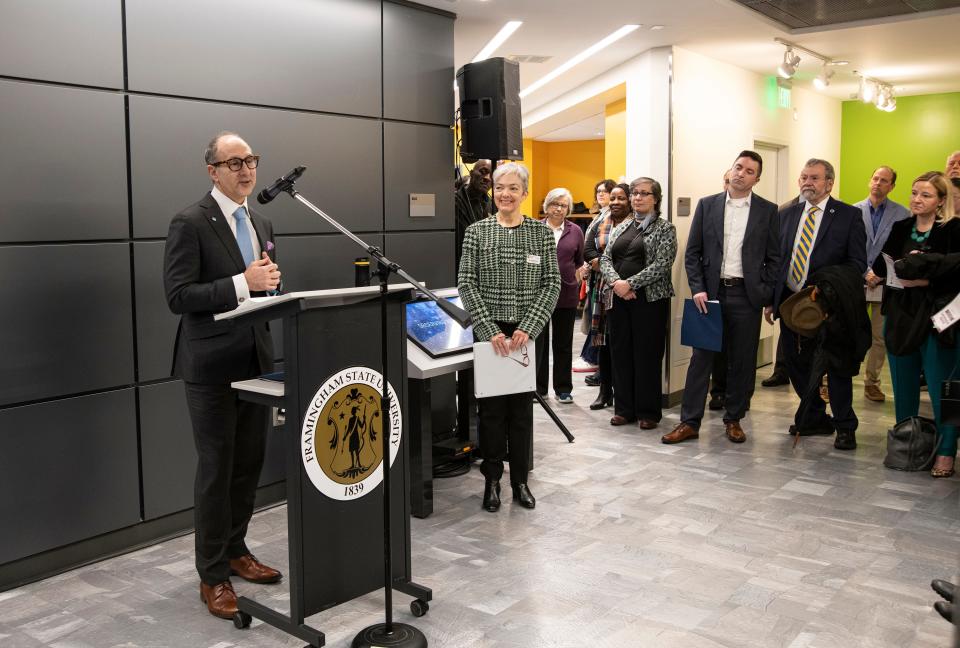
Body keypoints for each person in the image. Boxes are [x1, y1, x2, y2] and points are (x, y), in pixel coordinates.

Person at [163, 132, 283, 620]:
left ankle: (236, 550)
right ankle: (212, 575)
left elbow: (268, 283)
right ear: (211, 170)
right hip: (210, 367)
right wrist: (241, 283)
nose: (246, 170)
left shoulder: (261, 219)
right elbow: (178, 296)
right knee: (216, 470)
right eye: (233, 162)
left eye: (250, 160)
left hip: (256, 362)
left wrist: (273, 287)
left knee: (248, 463)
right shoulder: (189, 222)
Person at [458, 162, 560, 512]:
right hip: (492, 336)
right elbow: (466, 283)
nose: (505, 193)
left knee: (520, 413)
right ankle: (492, 482)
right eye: (500, 187)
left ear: (525, 194)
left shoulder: (541, 234)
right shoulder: (476, 232)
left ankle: (520, 482)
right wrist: (488, 330)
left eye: (513, 188)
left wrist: (529, 326)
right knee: (490, 414)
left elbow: (552, 284)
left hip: (526, 335)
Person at [663, 151, 780, 445]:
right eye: (738, 167)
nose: (741, 173)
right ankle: (689, 422)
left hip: (746, 296)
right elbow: (693, 253)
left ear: (757, 179)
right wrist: (698, 288)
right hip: (710, 295)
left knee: (742, 361)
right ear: (730, 170)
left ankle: (734, 419)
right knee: (700, 360)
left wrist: (765, 293)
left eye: (749, 171)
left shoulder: (768, 211)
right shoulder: (708, 205)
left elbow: (775, 257)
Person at [765, 158, 867, 450]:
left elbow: (857, 262)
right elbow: (778, 260)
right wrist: (772, 301)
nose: (807, 182)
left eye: (814, 178)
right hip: (792, 304)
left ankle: (845, 426)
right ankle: (815, 417)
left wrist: (828, 286)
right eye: (804, 177)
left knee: (836, 368)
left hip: (830, 307)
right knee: (796, 364)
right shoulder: (787, 214)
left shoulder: (848, 216)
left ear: (829, 183)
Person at [873, 171, 959, 477]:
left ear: (940, 201)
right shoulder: (901, 227)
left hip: (937, 320)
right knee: (904, 387)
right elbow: (882, 265)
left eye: (925, 195)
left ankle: (946, 453)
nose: (916, 199)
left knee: (941, 390)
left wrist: (924, 276)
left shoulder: (952, 229)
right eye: (914, 193)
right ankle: (907, 445)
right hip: (900, 315)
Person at [600, 177, 677, 429]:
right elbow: (605, 259)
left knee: (647, 355)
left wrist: (630, 284)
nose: (637, 198)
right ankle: (624, 409)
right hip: (619, 300)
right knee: (620, 353)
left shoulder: (665, 229)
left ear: (656, 198)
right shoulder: (622, 226)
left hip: (650, 301)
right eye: (634, 193)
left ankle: (648, 412)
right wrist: (617, 284)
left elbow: (662, 264)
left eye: (644, 193)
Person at [855, 166, 911, 402]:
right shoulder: (853, 210)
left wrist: (879, 273)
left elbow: (902, 251)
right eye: (875, 178)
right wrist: (865, 271)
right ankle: (832, 379)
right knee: (849, 332)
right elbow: (849, 247)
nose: (878, 183)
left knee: (879, 336)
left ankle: (872, 383)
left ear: (892, 186)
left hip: (884, 282)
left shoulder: (903, 214)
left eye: (884, 180)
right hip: (856, 280)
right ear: (870, 181)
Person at [582, 183, 631, 410]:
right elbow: (588, 249)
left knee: (623, 344)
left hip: (626, 290)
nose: (615, 202)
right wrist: (605, 268)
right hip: (602, 289)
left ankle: (624, 394)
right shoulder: (600, 221)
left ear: (630, 200)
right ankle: (604, 392)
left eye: (621, 198)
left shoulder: (637, 223)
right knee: (604, 342)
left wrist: (617, 272)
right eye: (613, 198)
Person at [535, 188, 584, 403]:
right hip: (539, 295)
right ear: (547, 206)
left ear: (568, 209)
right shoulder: (535, 229)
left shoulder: (575, 231)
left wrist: (577, 278)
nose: (559, 208)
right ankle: (538, 388)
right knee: (539, 343)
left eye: (564, 205)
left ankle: (563, 388)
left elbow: (579, 260)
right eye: (555, 204)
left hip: (566, 294)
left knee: (563, 343)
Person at [578, 179, 617, 379]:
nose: (601, 194)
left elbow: (606, 248)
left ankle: (602, 370)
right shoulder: (600, 216)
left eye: (605, 191)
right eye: (598, 191)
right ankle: (599, 367)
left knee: (603, 327)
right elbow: (588, 245)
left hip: (607, 277)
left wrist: (596, 262)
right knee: (597, 325)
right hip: (594, 275)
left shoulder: (613, 217)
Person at [708, 170, 733, 410]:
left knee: (738, 348)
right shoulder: (709, 206)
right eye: (726, 180)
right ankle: (717, 392)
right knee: (715, 346)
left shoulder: (761, 210)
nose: (730, 184)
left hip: (742, 291)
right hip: (713, 290)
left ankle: (737, 397)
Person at [454, 159, 492, 266]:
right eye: (483, 172)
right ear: (471, 173)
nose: (487, 178)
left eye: (492, 175)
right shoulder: (455, 201)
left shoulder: (492, 205)